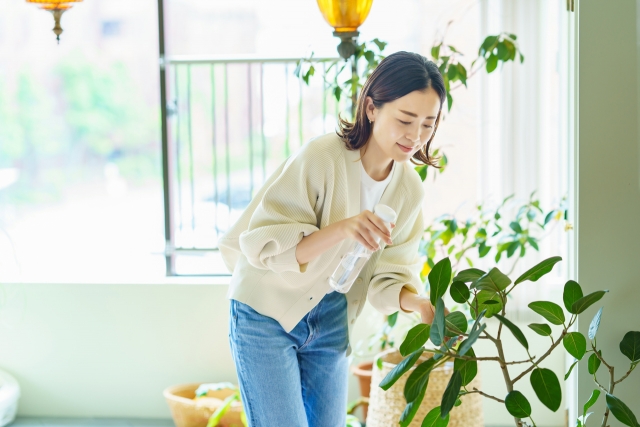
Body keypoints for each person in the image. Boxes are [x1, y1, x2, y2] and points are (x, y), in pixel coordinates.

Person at [219, 51, 447, 427]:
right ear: (372, 108)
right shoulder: (322, 156)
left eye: (428, 124)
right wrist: (342, 229)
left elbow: (387, 279)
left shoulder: (409, 190)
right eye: (405, 119)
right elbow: (263, 245)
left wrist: (418, 304)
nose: (415, 136)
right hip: (266, 312)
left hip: (333, 317)